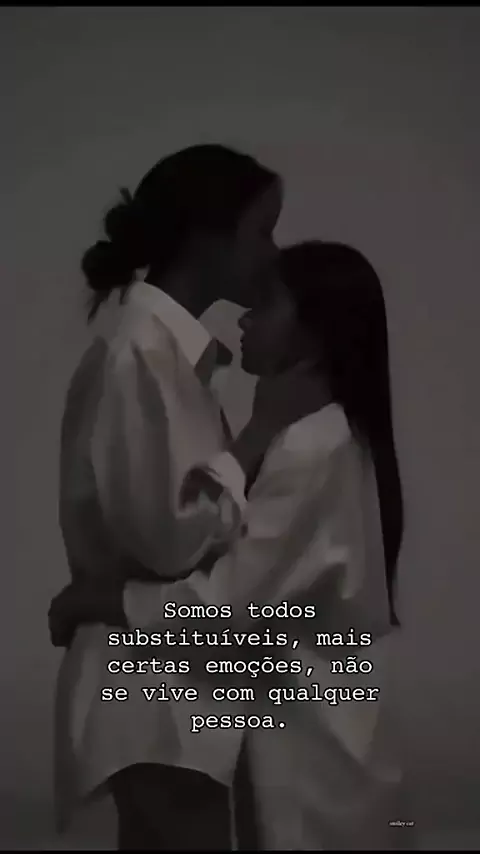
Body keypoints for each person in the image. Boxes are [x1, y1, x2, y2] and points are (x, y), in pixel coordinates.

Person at [50, 240, 407, 848]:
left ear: (312, 337)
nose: (244, 318)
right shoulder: (335, 436)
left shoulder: (308, 449)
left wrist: (101, 600)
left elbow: (228, 609)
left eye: (266, 304)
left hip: (314, 751)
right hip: (335, 734)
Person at [52, 144, 284, 850]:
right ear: (208, 238)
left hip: (173, 690)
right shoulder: (141, 356)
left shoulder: (166, 357)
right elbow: (170, 540)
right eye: (262, 231)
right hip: (155, 702)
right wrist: (258, 440)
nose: (273, 253)